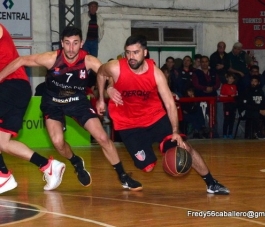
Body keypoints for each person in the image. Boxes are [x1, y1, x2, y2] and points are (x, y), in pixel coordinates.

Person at [0, 26, 142, 191]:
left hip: (77, 101)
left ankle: (123, 176)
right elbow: (20, 60)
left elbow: (107, 73)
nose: (71, 48)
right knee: (58, 142)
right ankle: (75, 161)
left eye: (75, 43)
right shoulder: (51, 58)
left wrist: (108, 89)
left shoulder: (89, 60)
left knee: (102, 137)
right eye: (67, 43)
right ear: (62, 43)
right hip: (52, 102)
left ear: (81, 43)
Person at [97, 35, 229, 195]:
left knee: (184, 147)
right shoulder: (115, 67)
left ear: (145, 52)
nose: (131, 57)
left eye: (136, 52)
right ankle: (128, 173)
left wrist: (175, 131)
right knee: (147, 166)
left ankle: (211, 182)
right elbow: (100, 73)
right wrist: (106, 92)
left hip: (154, 117)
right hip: (128, 123)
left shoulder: (156, 74)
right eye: (128, 53)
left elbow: (170, 104)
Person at [0, 24, 65, 194]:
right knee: (3, 142)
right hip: (17, 89)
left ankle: (2, 174)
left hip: (11, 86)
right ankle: (48, 166)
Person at [219, 73, 238, 139]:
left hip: (233, 104)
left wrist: (234, 97)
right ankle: (224, 134)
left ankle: (230, 133)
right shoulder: (224, 86)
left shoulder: (235, 86)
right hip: (227, 104)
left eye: (232, 78)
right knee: (226, 119)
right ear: (227, 78)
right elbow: (221, 95)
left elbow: (236, 95)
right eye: (229, 78)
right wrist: (229, 96)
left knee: (232, 120)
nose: (231, 79)